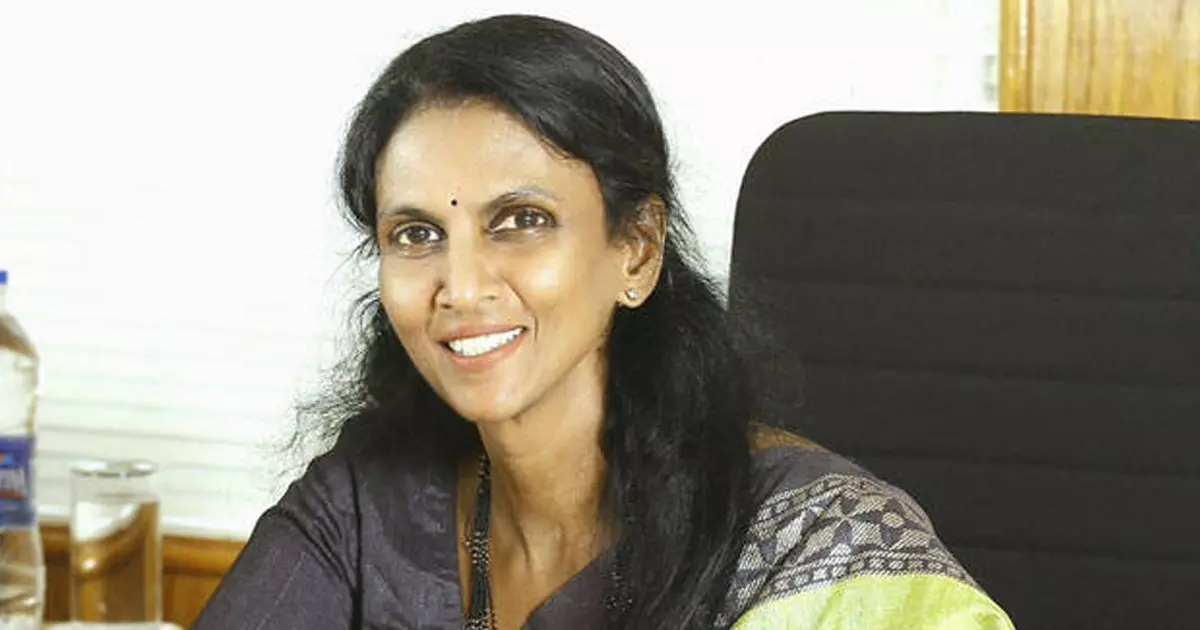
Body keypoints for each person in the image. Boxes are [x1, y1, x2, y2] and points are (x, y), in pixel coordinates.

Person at [193, 14, 1015, 630]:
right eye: (417, 234)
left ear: (637, 250)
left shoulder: (819, 546)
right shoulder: (371, 502)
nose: (461, 286)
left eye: (521, 220)